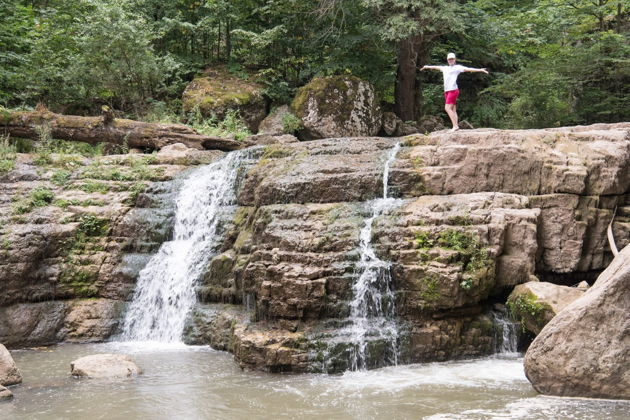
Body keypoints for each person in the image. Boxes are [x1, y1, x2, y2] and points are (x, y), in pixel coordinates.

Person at [421, 52, 489, 132]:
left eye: (452, 59)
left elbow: (468, 69)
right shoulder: (444, 68)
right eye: (449, 59)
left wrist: (480, 70)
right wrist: (426, 67)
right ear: (447, 60)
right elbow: (435, 67)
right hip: (447, 91)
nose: (451, 60)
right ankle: (456, 126)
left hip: (453, 90)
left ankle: (455, 126)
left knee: (447, 108)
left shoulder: (457, 67)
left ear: (455, 60)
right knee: (453, 109)